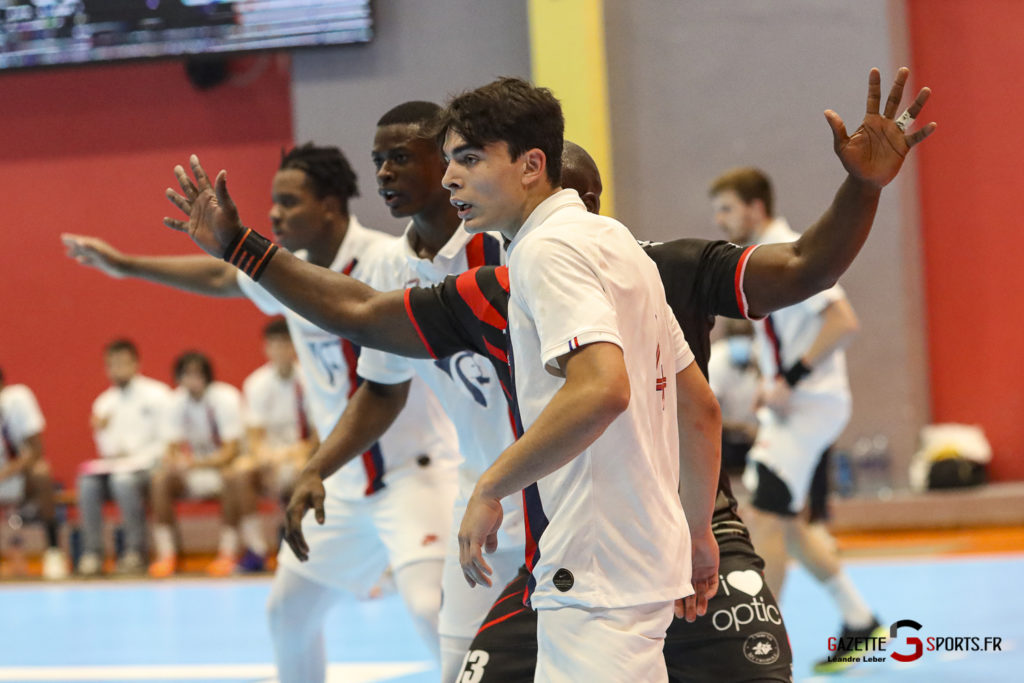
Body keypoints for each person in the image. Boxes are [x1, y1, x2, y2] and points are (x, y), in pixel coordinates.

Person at [159, 67, 934, 681]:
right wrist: (247, 251)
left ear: (541, 179)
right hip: (602, 551)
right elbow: (364, 313)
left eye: (467, 159)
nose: (452, 176)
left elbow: (613, 383)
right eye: (450, 160)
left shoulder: (570, 253)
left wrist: (490, 484)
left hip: (609, 559)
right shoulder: (521, 279)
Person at [63, 143, 458, 682]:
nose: (274, 215)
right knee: (287, 616)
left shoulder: (388, 260)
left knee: (429, 612)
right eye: (273, 203)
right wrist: (124, 265)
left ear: (331, 205)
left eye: (290, 202)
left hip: (415, 476)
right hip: (338, 488)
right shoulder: (285, 274)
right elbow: (224, 278)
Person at [280, 101, 522, 683]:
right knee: (458, 666)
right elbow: (382, 389)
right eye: (377, 161)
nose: (383, 173)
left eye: (398, 159)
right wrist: (319, 466)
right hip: (483, 495)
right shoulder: (393, 266)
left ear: (446, 164)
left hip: (558, 491)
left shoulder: (509, 245)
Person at [710, 165, 881, 674]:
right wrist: (773, 377)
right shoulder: (761, 256)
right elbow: (785, 334)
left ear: (755, 207)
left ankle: (758, 643)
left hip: (811, 406)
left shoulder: (786, 246)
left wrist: (790, 378)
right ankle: (860, 622)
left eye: (726, 208)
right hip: (800, 405)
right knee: (788, 524)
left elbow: (842, 320)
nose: (719, 220)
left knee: (761, 515)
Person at [78, 338, 171, 576]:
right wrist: (103, 430)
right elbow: (107, 450)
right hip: (118, 467)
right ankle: (93, 553)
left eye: (122, 363)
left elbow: (168, 442)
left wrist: (139, 458)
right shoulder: (103, 403)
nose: (116, 370)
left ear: (136, 363)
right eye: (111, 365)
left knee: (123, 481)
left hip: (150, 466)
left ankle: (134, 552)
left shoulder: (158, 394)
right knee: (87, 483)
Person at [230, 319, 316, 572]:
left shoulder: (310, 379)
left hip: (302, 453)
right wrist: (265, 457)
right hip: (271, 457)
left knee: (304, 471)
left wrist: (295, 455)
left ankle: (299, 541)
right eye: (274, 345)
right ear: (266, 349)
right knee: (239, 474)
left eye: (285, 344)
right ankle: (256, 549)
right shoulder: (256, 383)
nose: (279, 351)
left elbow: (318, 436)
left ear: (295, 346)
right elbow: (255, 437)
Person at [149, 351, 245, 577]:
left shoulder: (226, 397)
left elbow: (231, 451)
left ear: (207, 376)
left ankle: (228, 552)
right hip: (194, 471)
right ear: (179, 378)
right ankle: (167, 554)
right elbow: (170, 448)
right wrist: (174, 462)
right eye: (187, 374)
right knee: (160, 481)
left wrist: (195, 463)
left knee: (233, 477)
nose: (193, 380)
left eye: (198, 374)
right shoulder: (174, 402)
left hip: (221, 469)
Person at [0, 367, 68, 580]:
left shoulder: (18, 399)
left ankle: (53, 551)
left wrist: (6, 472)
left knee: (41, 471)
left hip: (17, 475)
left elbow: (37, 450)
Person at [708, 319, 760, 475]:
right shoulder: (715, 359)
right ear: (727, 337)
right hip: (725, 437)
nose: (741, 341)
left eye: (745, 335)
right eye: (737, 335)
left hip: (757, 437)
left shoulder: (762, 355)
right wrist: (742, 428)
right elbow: (708, 413)